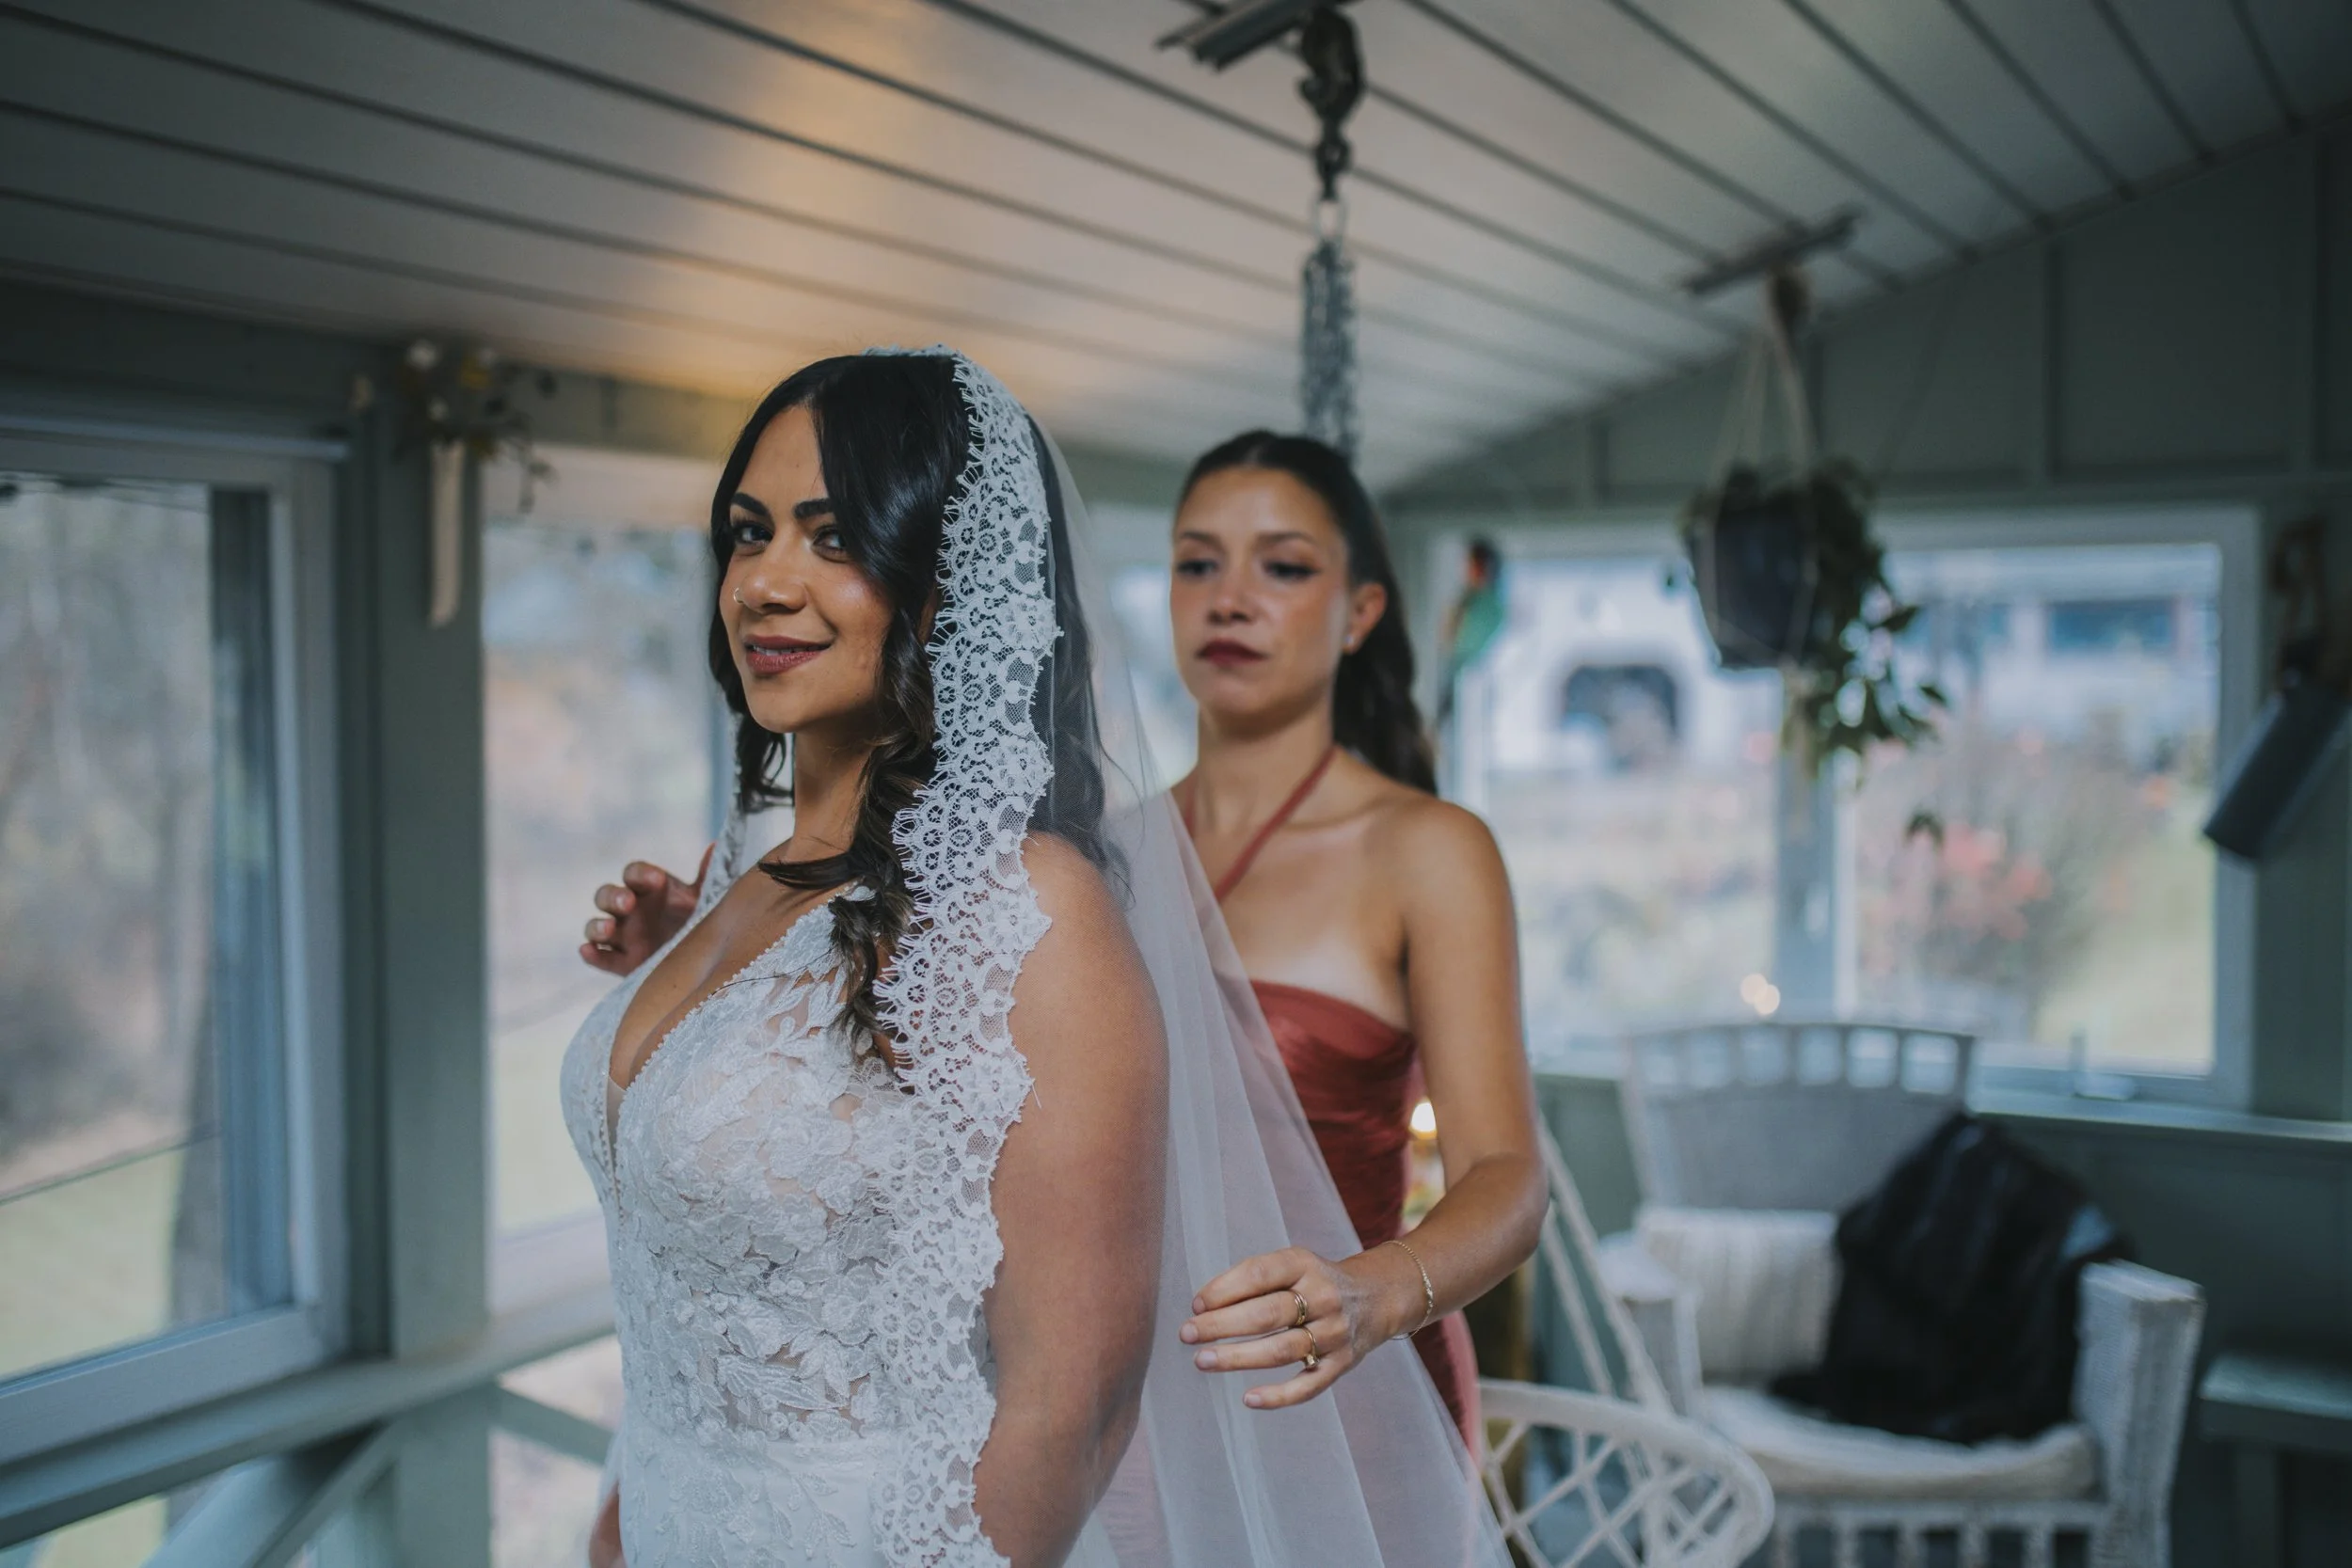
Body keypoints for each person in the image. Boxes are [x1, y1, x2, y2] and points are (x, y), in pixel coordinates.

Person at [572, 352, 1505, 1568]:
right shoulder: (1079, 856)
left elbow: (1064, 1394)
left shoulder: (1060, 899)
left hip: (1263, 1383)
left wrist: (1385, 1287)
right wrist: (710, 995)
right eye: (748, 535)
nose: (766, 581)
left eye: (836, 536)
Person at [1161, 436, 1540, 1448]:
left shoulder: (1428, 849)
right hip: (1136, 1393)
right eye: (1198, 561)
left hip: (1343, 1399)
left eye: (1281, 565)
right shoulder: (1100, 852)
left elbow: (1507, 1175)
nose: (1228, 598)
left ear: (1360, 610)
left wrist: (1371, 1294)